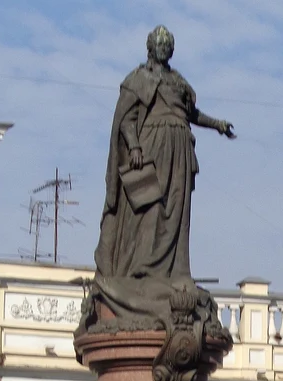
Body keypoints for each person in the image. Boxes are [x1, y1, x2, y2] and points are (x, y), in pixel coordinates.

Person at [94, 24, 235, 283]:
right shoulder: (138, 79)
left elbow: (191, 114)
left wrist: (217, 125)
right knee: (149, 207)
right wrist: (134, 146)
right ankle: (140, 268)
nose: (164, 48)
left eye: (168, 45)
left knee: (177, 210)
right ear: (150, 47)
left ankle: (173, 272)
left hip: (180, 149)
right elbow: (126, 119)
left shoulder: (178, 80)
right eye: (159, 44)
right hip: (153, 145)